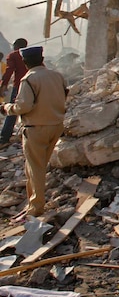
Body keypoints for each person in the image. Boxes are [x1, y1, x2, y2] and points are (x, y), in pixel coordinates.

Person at [0, 46, 67, 219]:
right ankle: (33, 203)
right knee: (37, 167)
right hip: (56, 125)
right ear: (42, 58)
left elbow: (24, 106)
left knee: (35, 169)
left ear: (25, 62)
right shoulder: (57, 76)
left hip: (36, 128)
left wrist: (7, 108)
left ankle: (37, 208)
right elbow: (64, 95)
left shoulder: (28, 80)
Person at [0, 38, 28, 145]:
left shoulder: (14, 55)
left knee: (12, 111)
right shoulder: (30, 55)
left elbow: (8, 71)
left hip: (19, 86)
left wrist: (3, 85)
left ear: (16, 46)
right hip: (34, 84)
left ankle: (4, 138)